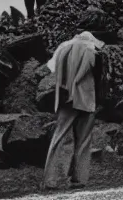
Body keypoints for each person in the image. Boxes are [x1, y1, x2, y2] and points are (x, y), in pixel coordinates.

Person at [43, 29, 105, 190]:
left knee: (58, 138)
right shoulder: (92, 51)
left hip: (64, 98)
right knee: (83, 140)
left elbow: (51, 69)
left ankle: (51, 180)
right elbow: (98, 77)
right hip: (86, 98)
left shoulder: (62, 49)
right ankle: (78, 179)